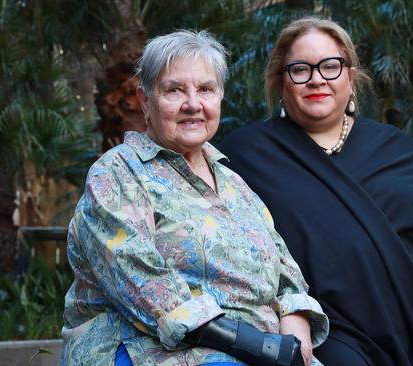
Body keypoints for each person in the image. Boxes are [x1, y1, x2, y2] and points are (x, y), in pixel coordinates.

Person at [220, 17, 413, 366]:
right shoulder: (247, 154)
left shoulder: (397, 148)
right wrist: (287, 313)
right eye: (300, 69)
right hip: (326, 331)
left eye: (330, 66)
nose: (317, 78)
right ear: (280, 82)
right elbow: (222, 246)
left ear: (351, 77)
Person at [61, 30, 329, 366]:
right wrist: (259, 346)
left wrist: (296, 326)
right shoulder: (117, 174)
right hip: (155, 351)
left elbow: (285, 271)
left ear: (219, 98)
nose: (193, 104)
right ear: (146, 100)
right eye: (174, 90)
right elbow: (146, 286)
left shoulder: (233, 182)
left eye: (205, 89)